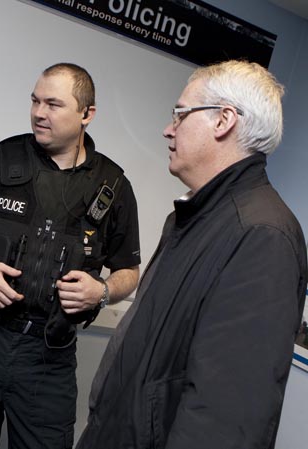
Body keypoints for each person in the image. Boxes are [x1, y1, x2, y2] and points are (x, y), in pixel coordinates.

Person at [76, 60, 307, 449]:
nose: (168, 129)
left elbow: (225, 422)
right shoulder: (190, 218)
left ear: (223, 121)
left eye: (180, 114)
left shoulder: (262, 237)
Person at [0, 63, 141, 449]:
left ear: (86, 114)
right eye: (35, 101)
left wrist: (103, 292)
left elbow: (129, 270)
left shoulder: (112, 187)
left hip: (48, 355)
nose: (39, 113)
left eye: (54, 104)